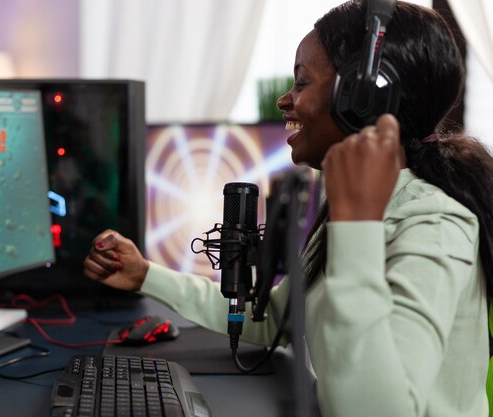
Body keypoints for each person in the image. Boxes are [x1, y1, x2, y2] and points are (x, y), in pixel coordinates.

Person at [83, 1, 493, 416]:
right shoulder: (355, 211)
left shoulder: (434, 225)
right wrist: (146, 276)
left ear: (363, 101)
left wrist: (357, 226)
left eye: (301, 83)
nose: (283, 100)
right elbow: (276, 317)